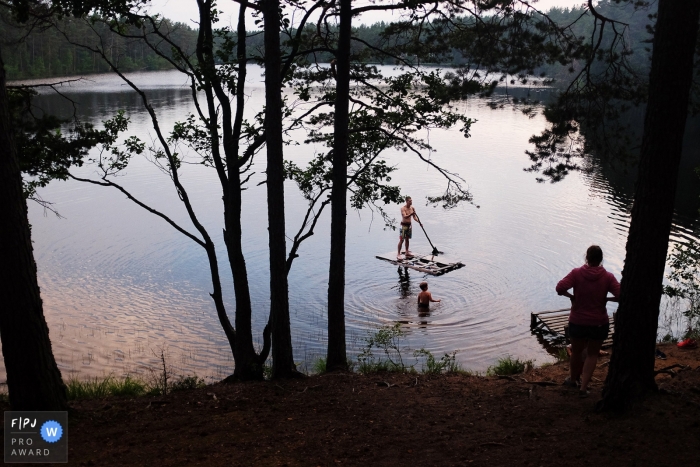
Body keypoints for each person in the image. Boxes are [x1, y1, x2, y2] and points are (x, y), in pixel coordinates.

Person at [556, 245, 620, 398]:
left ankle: (572, 380)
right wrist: (607, 298)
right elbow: (621, 295)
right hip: (598, 323)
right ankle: (583, 388)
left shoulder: (576, 273)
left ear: (587, 257)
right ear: (601, 259)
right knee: (592, 354)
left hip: (578, 321)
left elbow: (559, 288)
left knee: (576, 352)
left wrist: (571, 297)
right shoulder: (608, 277)